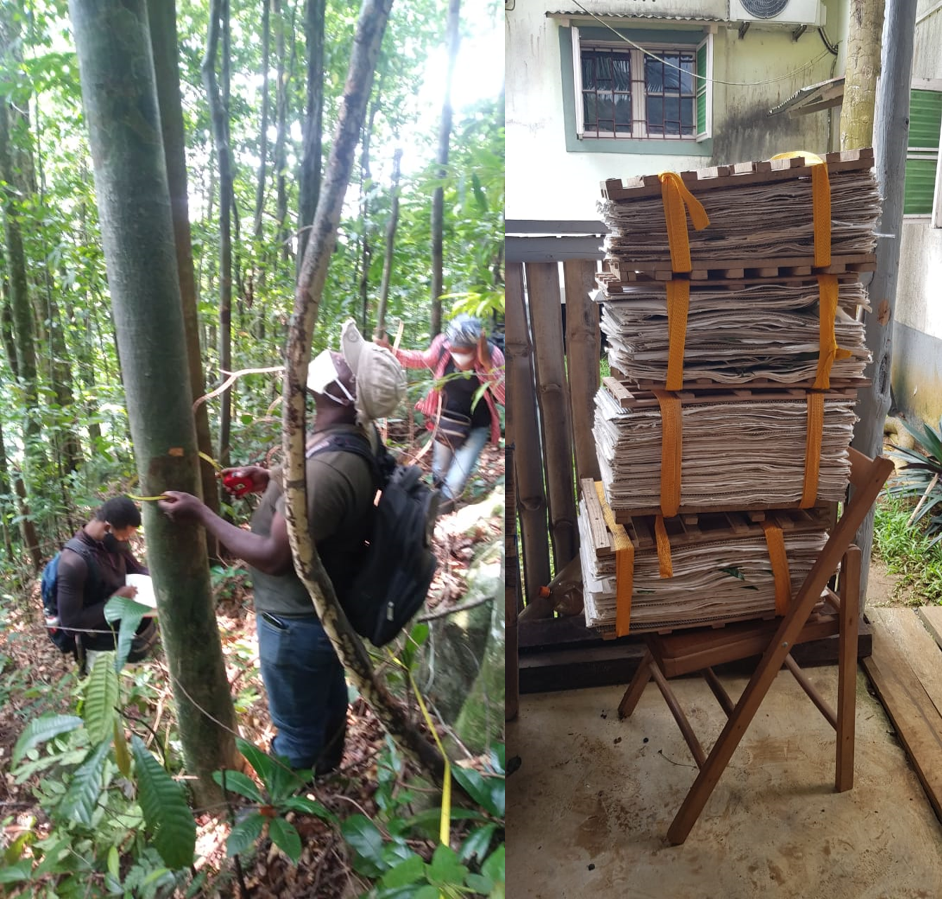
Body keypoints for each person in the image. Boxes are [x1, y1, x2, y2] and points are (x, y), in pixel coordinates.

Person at [157, 320, 406, 775]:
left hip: (293, 623)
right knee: (327, 712)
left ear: (347, 395)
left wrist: (200, 514)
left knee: (295, 734)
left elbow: (275, 556)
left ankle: (275, 814)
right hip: (316, 620)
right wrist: (269, 481)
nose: (333, 355)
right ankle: (328, 784)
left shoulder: (331, 467)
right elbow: (311, 505)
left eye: (344, 363)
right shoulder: (345, 441)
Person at [378, 314, 505, 514]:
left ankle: (438, 515)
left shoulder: (493, 356)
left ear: (476, 347)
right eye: (454, 350)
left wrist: (487, 365)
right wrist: (391, 352)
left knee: (455, 481)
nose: (457, 356)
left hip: (477, 426)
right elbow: (423, 359)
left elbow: (506, 397)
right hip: (446, 419)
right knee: (439, 471)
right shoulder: (443, 344)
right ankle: (435, 508)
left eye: (463, 352)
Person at [57, 495, 158, 662]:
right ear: (107, 527)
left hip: (133, 640)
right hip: (103, 651)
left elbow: (138, 569)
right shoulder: (73, 563)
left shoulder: (112, 541)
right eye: (124, 537)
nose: (126, 541)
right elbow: (70, 624)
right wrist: (115, 600)